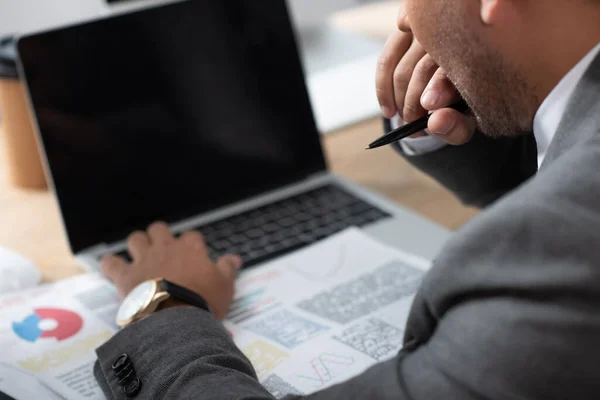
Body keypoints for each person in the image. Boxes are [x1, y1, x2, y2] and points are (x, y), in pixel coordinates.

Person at [94, 0, 600, 398]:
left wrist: (160, 309)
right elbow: (556, 161)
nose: (404, 17)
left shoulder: (555, 260)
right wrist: (482, 74)